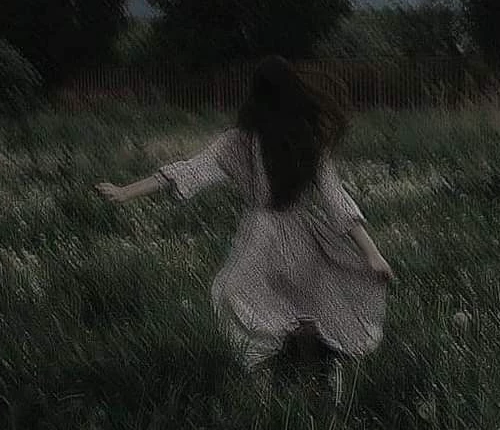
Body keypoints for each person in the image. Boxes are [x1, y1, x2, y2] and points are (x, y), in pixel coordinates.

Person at [94, 55, 395, 394]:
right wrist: (371, 253)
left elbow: (189, 169)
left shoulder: (247, 140)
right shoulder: (296, 137)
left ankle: (278, 374)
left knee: (235, 295)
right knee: (300, 309)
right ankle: (304, 371)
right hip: (300, 238)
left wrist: (126, 191)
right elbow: (335, 199)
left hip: (263, 237)